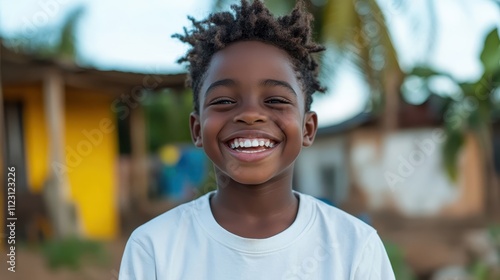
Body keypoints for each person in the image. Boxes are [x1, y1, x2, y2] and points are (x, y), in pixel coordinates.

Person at [119, 1, 395, 279]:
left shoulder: (356, 248)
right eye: (224, 100)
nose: (250, 115)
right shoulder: (153, 248)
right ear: (197, 129)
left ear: (308, 128)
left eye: (275, 100)